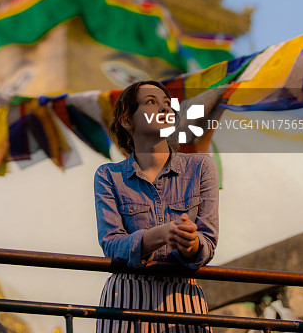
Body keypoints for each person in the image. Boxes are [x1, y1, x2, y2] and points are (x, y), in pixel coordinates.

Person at [94, 80, 219, 333]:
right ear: (127, 121)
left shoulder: (201, 167)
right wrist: (162, 234)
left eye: (167, 103)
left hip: (183, 297)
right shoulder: (109, 175)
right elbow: (111, 243)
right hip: (125, 297)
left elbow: (208, 241)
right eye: (151, 102)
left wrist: (190, 244)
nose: (164, 108)